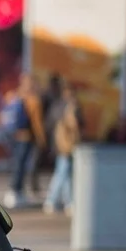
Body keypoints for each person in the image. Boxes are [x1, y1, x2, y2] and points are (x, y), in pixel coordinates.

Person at [2, 75, 46, 208]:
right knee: (21, 164)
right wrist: (42, 139)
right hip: (26, 136)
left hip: (12, 135)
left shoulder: (12, 96)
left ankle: (14, 192)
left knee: (17, 163)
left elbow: (3, 115)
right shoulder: (33, 100)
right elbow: (36, 122)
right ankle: (16, 191)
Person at [45, 85, 81, 215]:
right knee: (62, 174)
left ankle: (66, 201)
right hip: (66, 147)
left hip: (62, 146)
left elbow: (49, 124)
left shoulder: (57, 107)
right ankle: (54, 200)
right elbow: (75, 125)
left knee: (65, 175)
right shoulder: (69, 108)